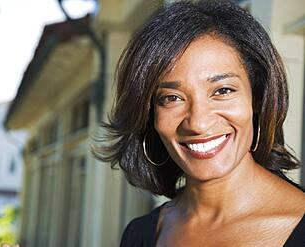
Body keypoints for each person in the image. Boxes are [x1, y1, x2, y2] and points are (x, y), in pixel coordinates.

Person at [93, 0, 305, 246]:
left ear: (257, 98)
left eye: (222, 90)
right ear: (150, 115)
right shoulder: (140, 234)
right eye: (171, 98)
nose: (198, 123)